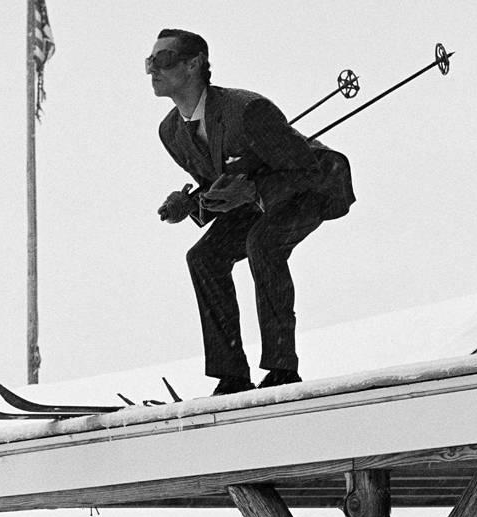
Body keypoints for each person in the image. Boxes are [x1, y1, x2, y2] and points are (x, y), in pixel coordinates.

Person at [151, 29, 355, 395]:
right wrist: (192, 203)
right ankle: (232, 376)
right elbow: (222, 183)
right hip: (256, 194)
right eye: (149, 62)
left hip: (313, 186)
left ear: (195, 63)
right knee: (203, 257)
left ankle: (282, 368)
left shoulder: (247, 111)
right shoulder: (171, 132)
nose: (153, 70)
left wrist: (254, 189)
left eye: (163, 61)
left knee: (264, 243)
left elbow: (306, 168)